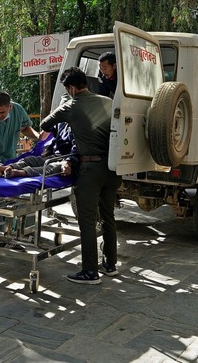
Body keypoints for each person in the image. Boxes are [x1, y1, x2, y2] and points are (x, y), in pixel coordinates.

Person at [40, 67, 122, 285]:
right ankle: (110, 264)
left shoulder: (71, 105)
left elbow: (44, 125)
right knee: (108, 216)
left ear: (71, 88)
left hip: (90, 170)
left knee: (86, 221)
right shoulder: (107, 101)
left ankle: (89, 271)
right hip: (113, 168)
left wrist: (69, 119)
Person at [0, 123, 78, 178]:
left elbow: (77, 147)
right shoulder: (61, 124)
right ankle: (3, 168)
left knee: (50, 168)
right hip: (54, 156)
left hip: (66, 160)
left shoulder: (78, 126)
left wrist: (69, 162)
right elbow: (54, 140)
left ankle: (19, 172)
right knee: (30, 160)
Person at [0, 91, 40, 163]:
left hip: (12, 160)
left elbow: (25, 128)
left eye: (2, 112)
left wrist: (39, 137)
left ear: (10, 106)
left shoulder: (18, 111)